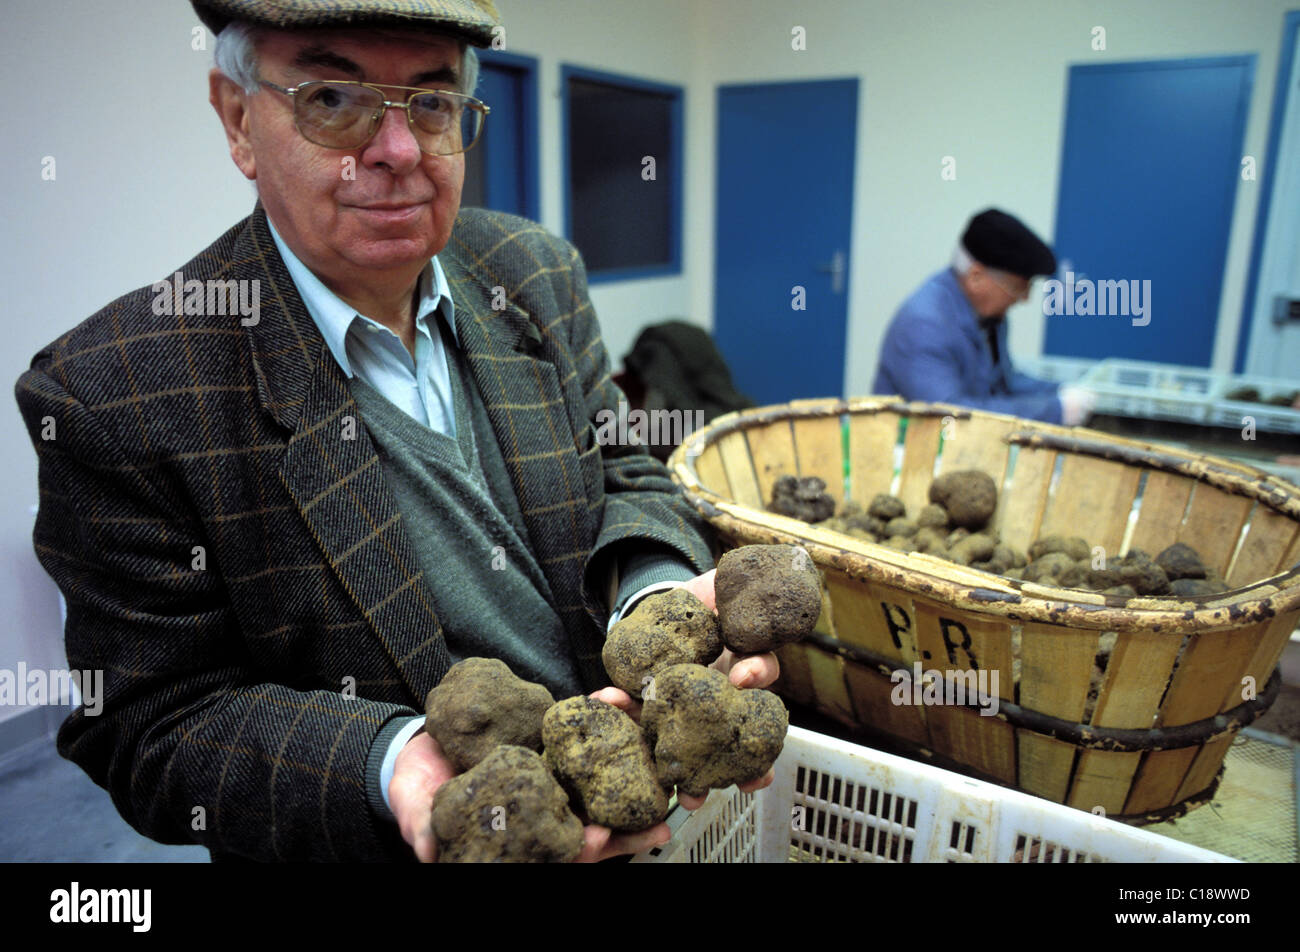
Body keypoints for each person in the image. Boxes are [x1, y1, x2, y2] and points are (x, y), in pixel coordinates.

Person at [14, 0, 777, 863]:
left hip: (637, 801)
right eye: (333, 97)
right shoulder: (114, 394)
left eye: (432, 101)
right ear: (238, 119)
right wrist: (393, 767)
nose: (400, 150)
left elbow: (625, 470)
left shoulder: (533, 271)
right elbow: (153, 724)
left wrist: (659, 606)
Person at [873, 208, 1095, 425]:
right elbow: (950, 416)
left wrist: (1059, 391)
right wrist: (1053, 410)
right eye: (1018, 287)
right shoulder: (924, 324)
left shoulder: (988, 315)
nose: (1025, 298)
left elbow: (1004, 382)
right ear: (976, 277)